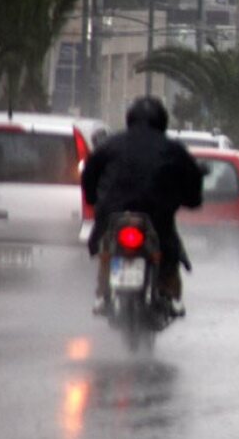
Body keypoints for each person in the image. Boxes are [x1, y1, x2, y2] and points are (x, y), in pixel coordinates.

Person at [82, 96, 204, 316]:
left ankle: (102, 292)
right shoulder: (172, 149)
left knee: (105, 245)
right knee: (169, 250)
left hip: (112, 213)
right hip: (156, 215)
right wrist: (191, 199)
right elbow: (192, 179)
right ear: (161, 120)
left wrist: (93, 199)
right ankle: (169, 292)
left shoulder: (110, 144)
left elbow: (90, 173)